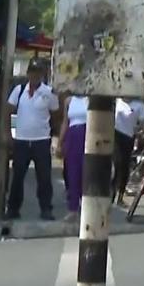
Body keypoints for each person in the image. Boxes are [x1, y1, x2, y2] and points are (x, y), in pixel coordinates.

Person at [5, 61, 60, 220]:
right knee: (17, 177)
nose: (35, 75)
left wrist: (54, 137)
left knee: (44, 177)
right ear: (28, 73)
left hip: (41, 141)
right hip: (21, 141)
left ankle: (46, 209)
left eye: (38, 72)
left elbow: (56, 116)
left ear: (42, 75)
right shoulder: (19, 90)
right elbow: (7, 111)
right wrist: (8, 134)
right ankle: (13, 209)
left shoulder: (49, 93)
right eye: (32, 72)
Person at [113, 96, 144, 204]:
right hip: (116, 135)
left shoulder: (138, 104)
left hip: (128, 137)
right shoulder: (117, 101)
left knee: (124, 167)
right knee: (116, 163)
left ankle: (120, 195)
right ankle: (111, 194)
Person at [58, 93, 89, 221]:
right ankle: (73, 209)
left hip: (86, 133)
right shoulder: (69, 101)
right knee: (72, 173)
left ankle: (87, 207)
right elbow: (65, 122)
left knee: (86, 172)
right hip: (72, 134)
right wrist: (60, 142)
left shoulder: (90, 99)